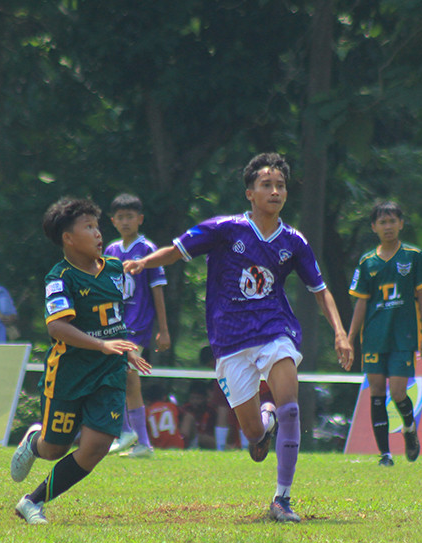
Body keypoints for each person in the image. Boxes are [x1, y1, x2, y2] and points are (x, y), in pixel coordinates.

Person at [125, 152, 353, 522]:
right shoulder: (225, 229)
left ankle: (282, 499)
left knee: (290, 406)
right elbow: (176, 251)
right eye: (266, 185)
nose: (275, 191)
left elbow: (320, 289)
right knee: (254, 438)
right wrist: (143, 263)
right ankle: (265, 420)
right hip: (229, 341)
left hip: (274, 330)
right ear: (250, 192)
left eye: (280, 185)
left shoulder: (293, 241)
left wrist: (340, 334)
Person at [8, 197, 151, 524]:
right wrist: (101, 345)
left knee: (97, 445)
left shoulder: (115, 270)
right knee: (54, 449)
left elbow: (115, 321)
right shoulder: (60, 277)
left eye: (97, 226)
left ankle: (32, 502)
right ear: (67, 239)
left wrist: (126, 350)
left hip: (109, 373)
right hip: (69, 375)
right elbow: (57, 326)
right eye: (88, 227)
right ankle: (34, 441)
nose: (98, 233)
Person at [347, 201, 422, 467]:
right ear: (374, 227)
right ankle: (384, 454)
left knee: (397, 391)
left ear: (401, 223)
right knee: (376, 391)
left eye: (392, 221)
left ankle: (409, 428)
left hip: (404, 336)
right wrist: (349, 339)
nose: (388, 226)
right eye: (382, 222)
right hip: (374, 335)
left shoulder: (413, 256)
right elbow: (361, 302)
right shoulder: (367, 262)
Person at [102, 193, 171, 458]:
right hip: (115, 324)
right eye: (120, 217)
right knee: (124, 379)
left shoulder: (147, 249)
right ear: (113, 221)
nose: (125, 221)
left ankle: (125, 432)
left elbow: (157, 290)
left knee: (124, 374)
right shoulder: (110, 251)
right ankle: (142, 443)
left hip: (137, 324)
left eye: (130, 216)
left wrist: (162, 329)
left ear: (140, 219)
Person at [179, 380, 218, 450]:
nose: (195, 401)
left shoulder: (211, 411)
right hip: (190, 439)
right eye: (192, 398)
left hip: (207, 441)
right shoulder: (185, 409)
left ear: (205, 398)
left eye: (198, 398)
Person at [144, 383, 185, 449]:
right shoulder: (172, 406)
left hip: (158, 446)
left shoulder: (147, 411)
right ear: (164, 397)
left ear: (147, 400)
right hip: (177, 445)